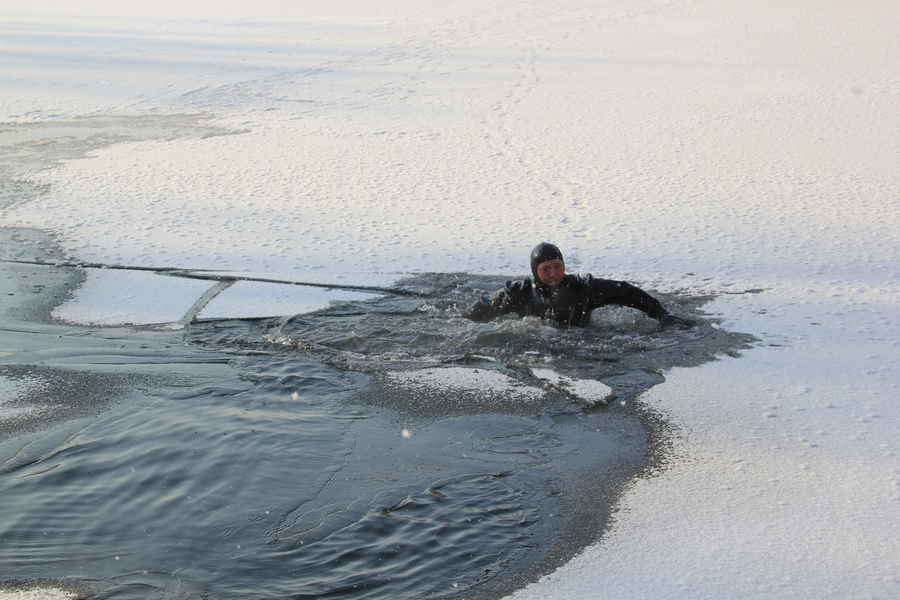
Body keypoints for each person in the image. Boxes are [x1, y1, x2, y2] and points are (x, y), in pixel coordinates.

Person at [466, 242, 692, 328]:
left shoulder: (583, 288)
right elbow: (485, 307)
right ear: (535, 271)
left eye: (557, 266)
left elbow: (627, 293)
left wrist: (661, 314)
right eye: (546, 269)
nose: (554, 274)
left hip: (583, 342)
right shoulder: (521, 293)